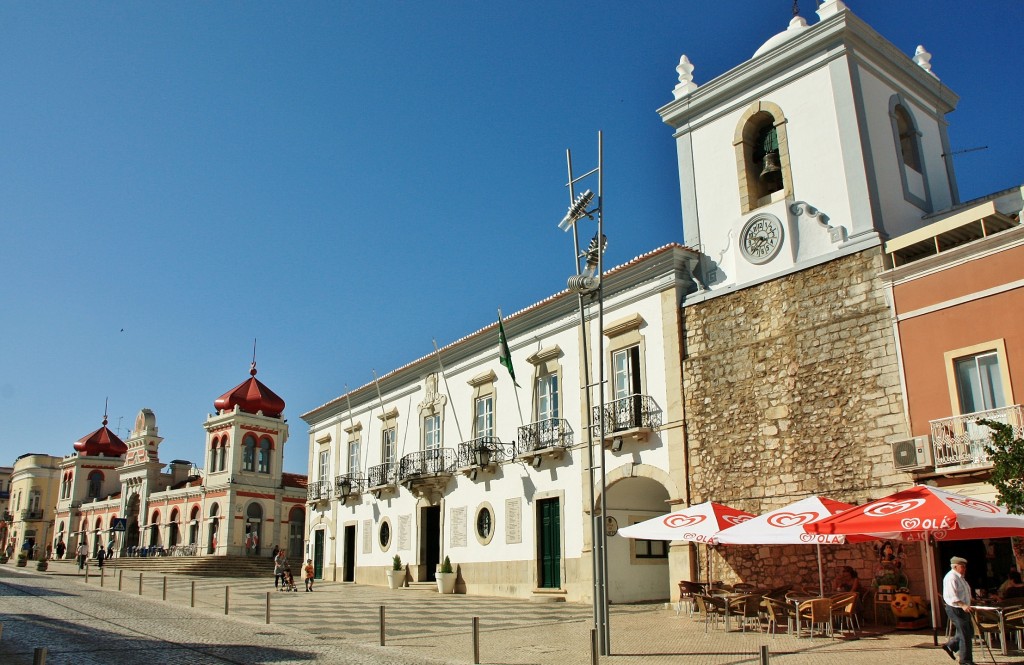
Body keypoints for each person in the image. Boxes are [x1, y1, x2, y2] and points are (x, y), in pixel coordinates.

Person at [942, 556, 975, 665]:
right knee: (965, 634)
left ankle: (950, 646)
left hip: (962, 608)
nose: (964, 568)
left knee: (969, 631)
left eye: (965, 566)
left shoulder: (960, 577)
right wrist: (963, 605)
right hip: (955, 608)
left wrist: (970, 600)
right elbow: (952, 596)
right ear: (955, 566)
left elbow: (963, 592)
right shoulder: (951, 577)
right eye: (962, 566)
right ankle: (965, 661)